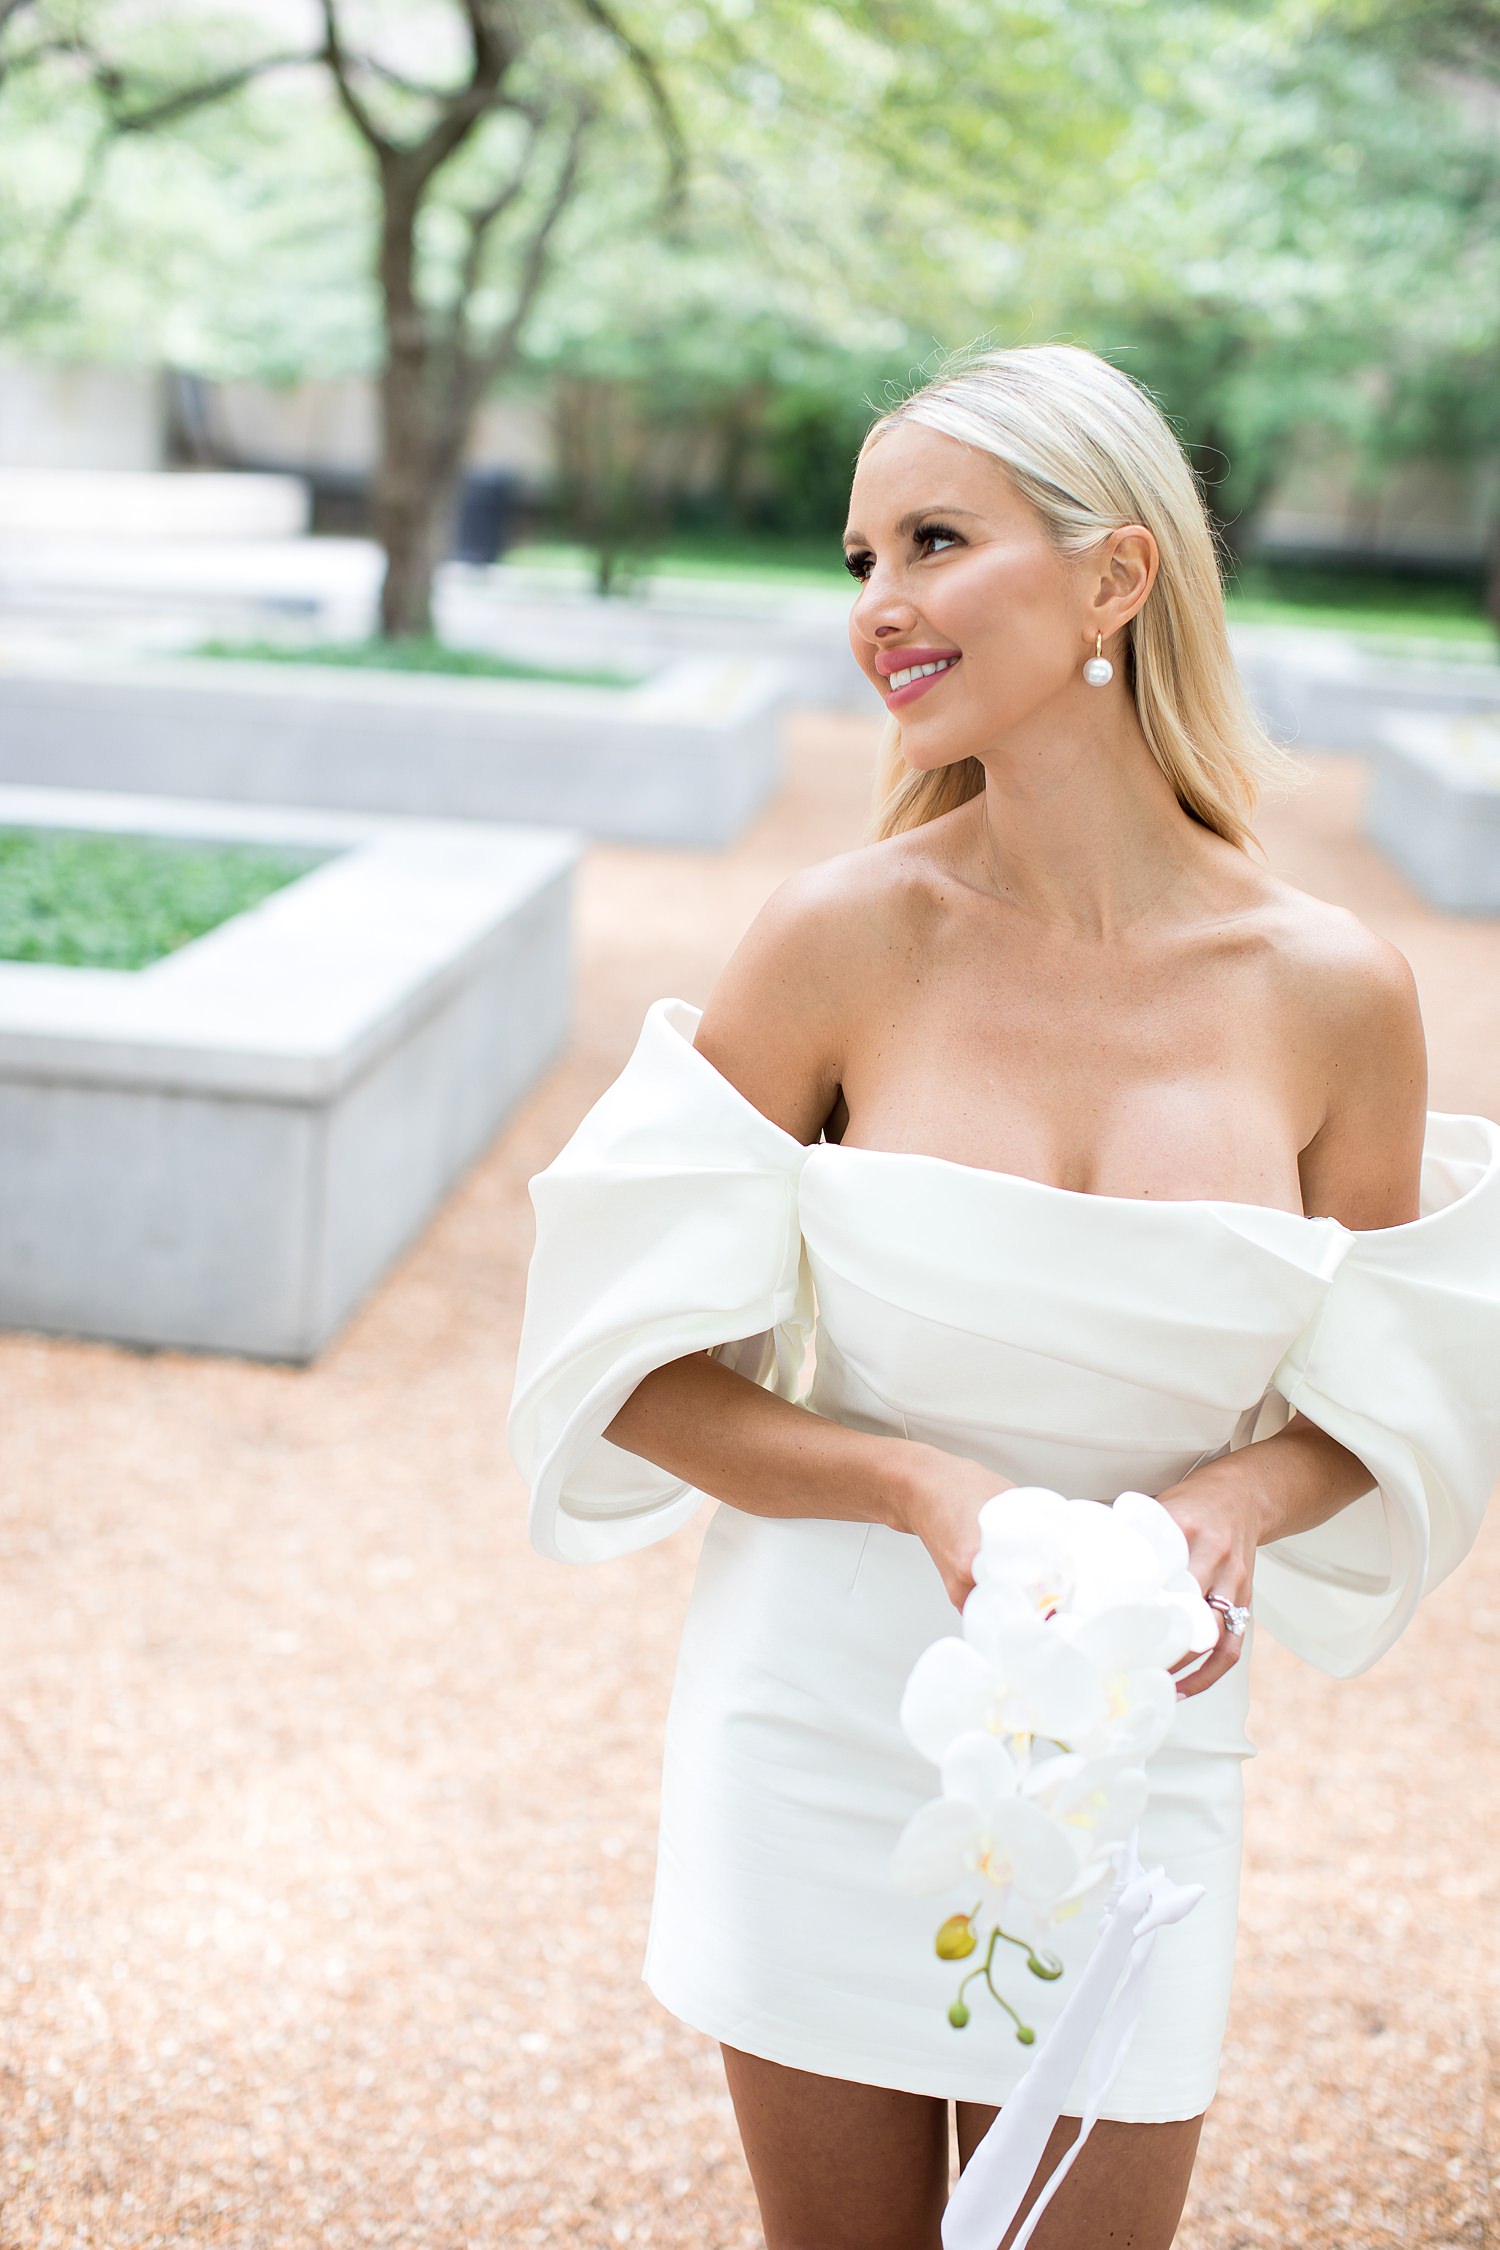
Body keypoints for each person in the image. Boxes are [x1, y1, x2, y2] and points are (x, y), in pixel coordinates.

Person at [508, 344, 1500, 2250]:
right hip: (815, 1721)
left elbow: (1402, 1388)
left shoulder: (1335, 989)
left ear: (1117, 576)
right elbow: (628, 1371)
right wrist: (916, 1486)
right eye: (862, 553)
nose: (880, 605)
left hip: (1138, 1753)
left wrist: (1231, 1507)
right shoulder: (836, 936)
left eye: (936, 542)